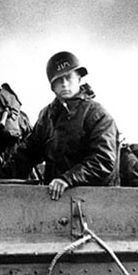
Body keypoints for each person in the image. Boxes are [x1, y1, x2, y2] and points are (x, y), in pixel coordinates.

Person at [9, 51, 120, 200]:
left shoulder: (97, 114)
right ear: (52, 86)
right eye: (58, 80)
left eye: (69, 77)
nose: (65, 84)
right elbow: (27, 154)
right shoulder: (47, 116)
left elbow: (103, 160)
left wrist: (67, 179)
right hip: (56, 200)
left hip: (97, 200)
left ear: (79, 78)